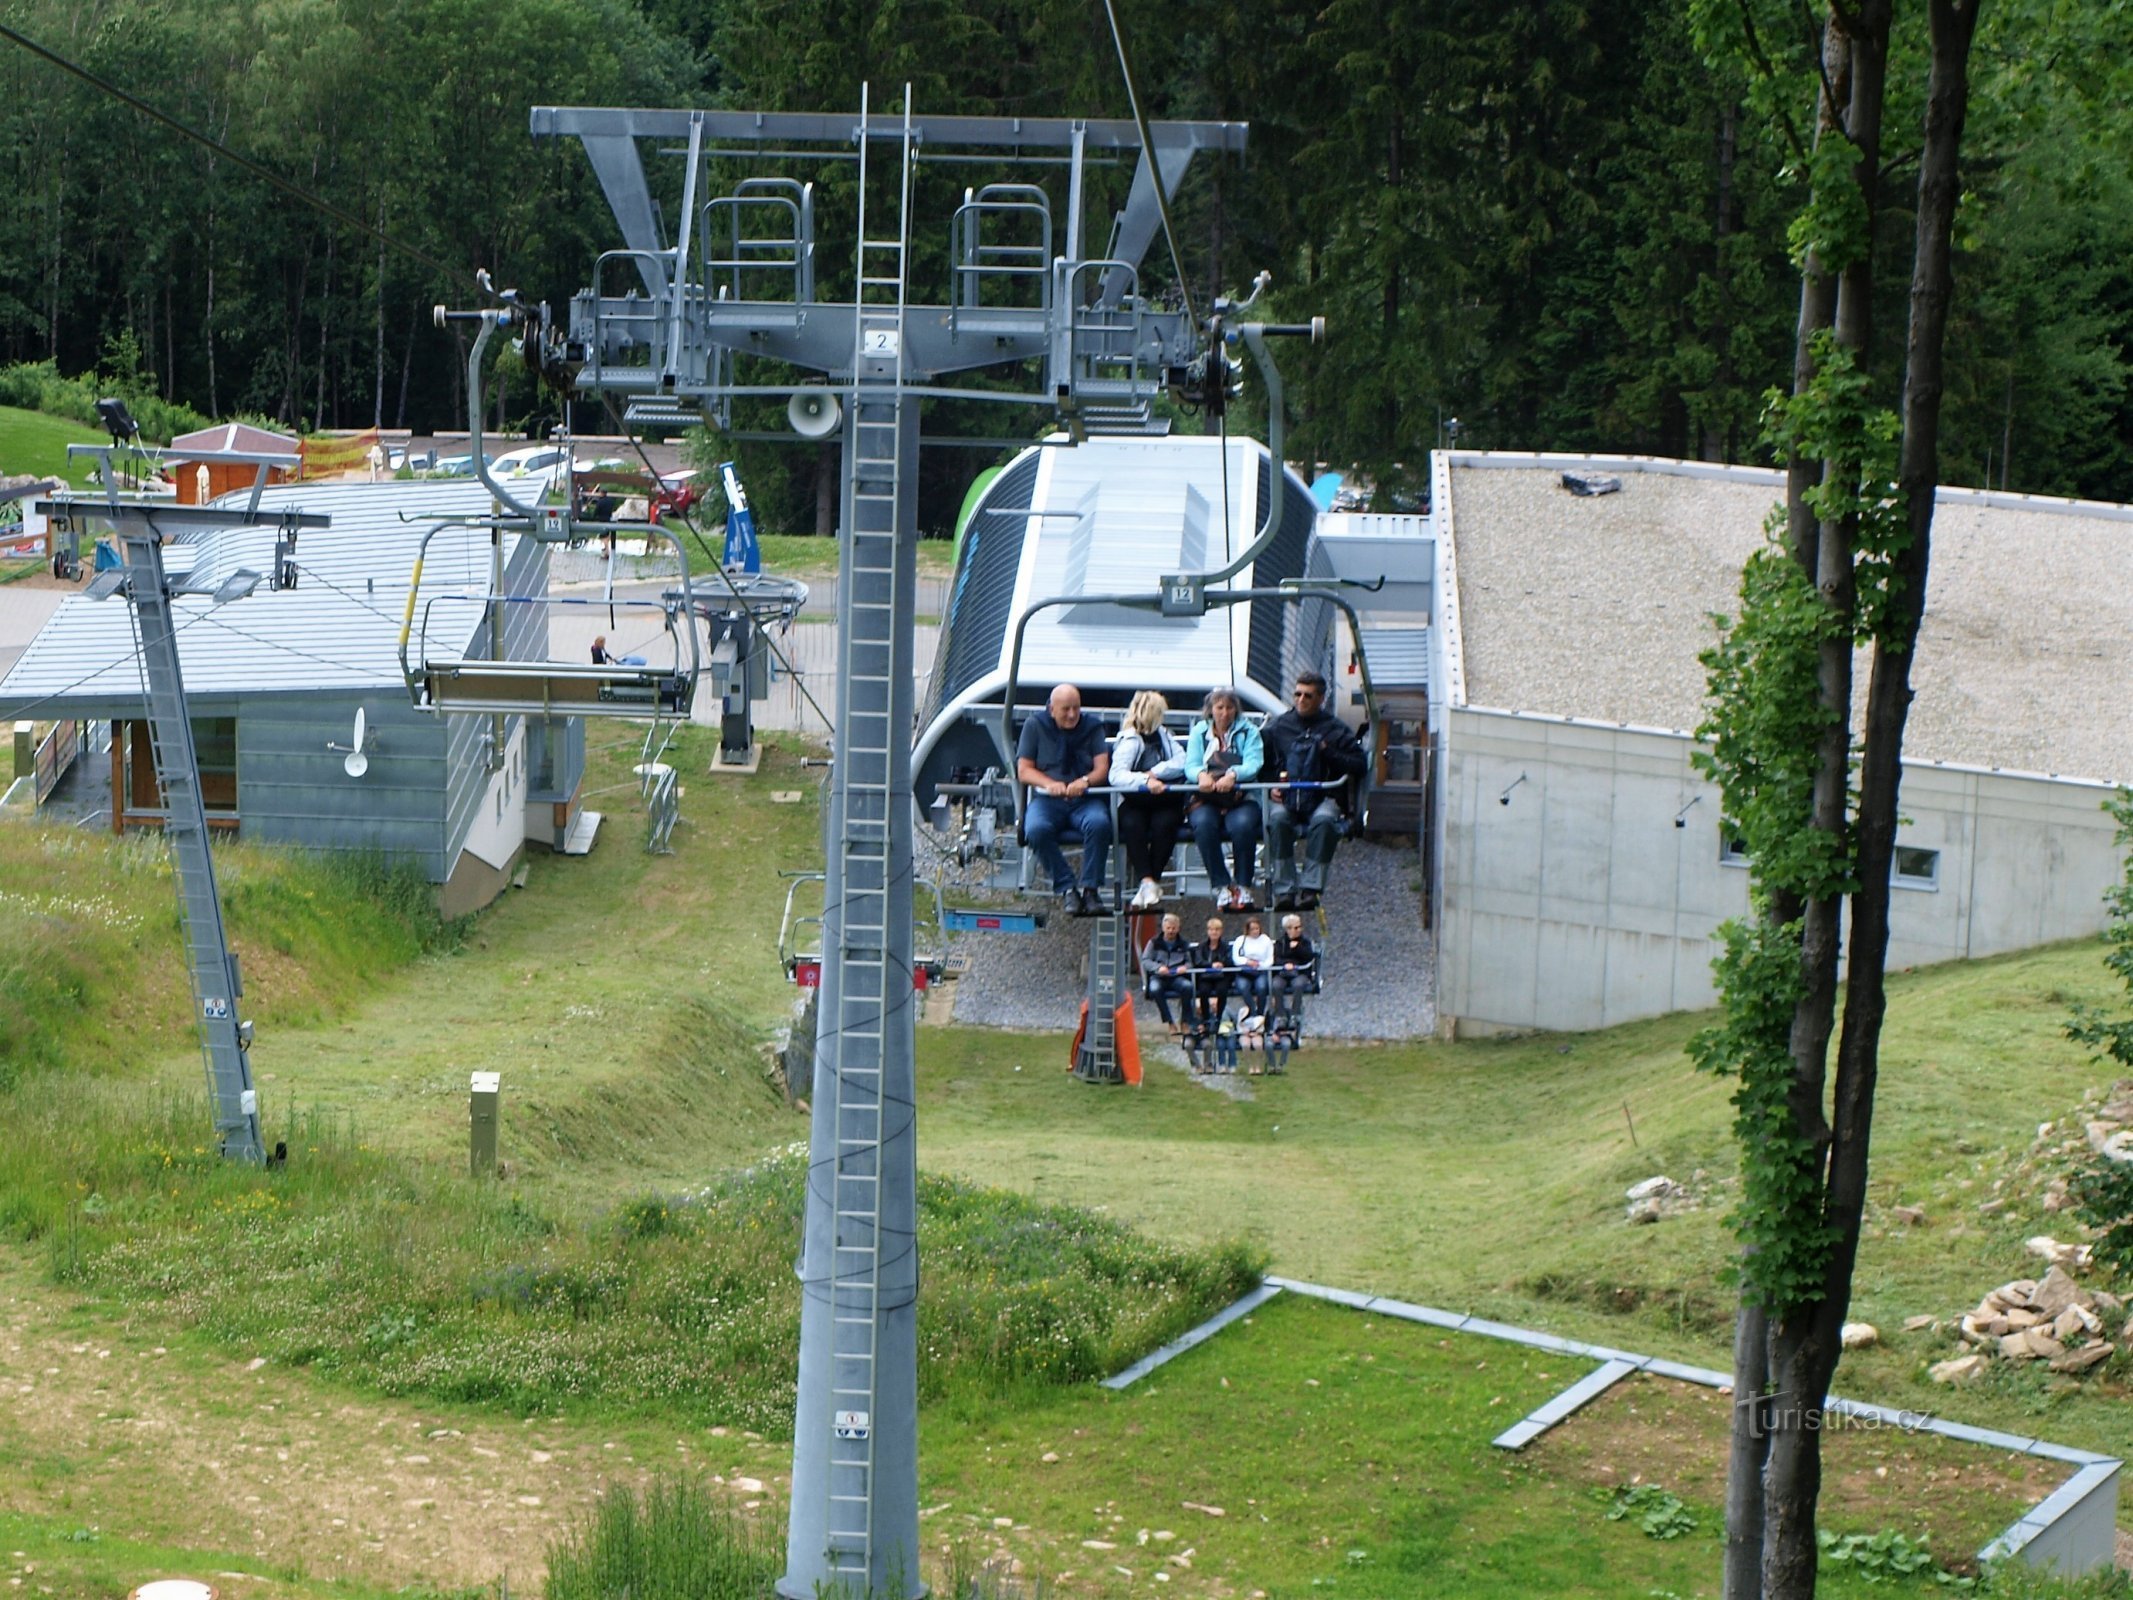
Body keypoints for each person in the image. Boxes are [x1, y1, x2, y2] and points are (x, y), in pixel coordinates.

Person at [1264, 671, 1368, 911]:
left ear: (1321, 698)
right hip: (1287, 795)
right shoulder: (1278, 728)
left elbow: (1358, 764)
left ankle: (1311, 887)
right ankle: (1284, 890)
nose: (1301, 700)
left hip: (1324, 796)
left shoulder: (1335, 730)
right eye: (1297, 694)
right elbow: (1261, 763)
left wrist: (1327, 751)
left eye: (1308, 696)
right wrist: (1272, 787)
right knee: (1278, 821)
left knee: (1323, 821)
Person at [1016, 683, 1113, 916]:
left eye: (1076, 709)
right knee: (1036, 830)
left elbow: (1102, 768)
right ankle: (1067, 887)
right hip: (1049, 800)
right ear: (1052, 709)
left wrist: (1085, 781)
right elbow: (1024, 770)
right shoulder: (1034, 726)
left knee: (1099, 824)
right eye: (1066, 710)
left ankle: (1091, 888)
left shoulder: (1092, 727)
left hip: (1085, 799)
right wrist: (1049, 784)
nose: (1072, 715)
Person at [1184, 686, 1265, 912]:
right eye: (1220, 707)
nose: (1225, 713)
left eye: (1230, 708)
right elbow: (1191, 764)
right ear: (1211, 709)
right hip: (1207, 796)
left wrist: (1233, 775)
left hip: (1241, 795)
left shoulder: (1250, 732)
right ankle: (1221, 884)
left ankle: (1243, 884)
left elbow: (1254, 762)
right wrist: (1201, 776)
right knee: (1203, 824)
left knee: (1242, 826)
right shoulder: (1199, 732)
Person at [1110, 690, 1188, 909]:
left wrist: (1156, 771)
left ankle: (1149, 882)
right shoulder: (1129, 740)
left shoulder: (1164, 735)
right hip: (1135, 799)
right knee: (1133, 824)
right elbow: (1117, 775)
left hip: (1163, 799)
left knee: (1165, 824)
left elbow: (1181, 761)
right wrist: (1145, 780)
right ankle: (1148, 880)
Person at [1139, 912, 1194, 1036]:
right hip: (1159, 976)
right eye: (1168, 928)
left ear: (1178, 928)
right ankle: (1169, 1021)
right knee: (1155, 989)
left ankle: (1185, 1021)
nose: (1171, 931)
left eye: (1174, 928)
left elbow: (1190, 962)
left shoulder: (1183, 944)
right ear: (1163, 928)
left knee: (1188, 987)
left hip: (1176, 976)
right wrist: (1158, 968)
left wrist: (1184, 967)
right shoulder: (1154, 943)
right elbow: (1145, 960)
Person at [1270, 912, 1318, 1035]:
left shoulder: (1305, 943)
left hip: (1300, 972)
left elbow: (1308, 957)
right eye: (1294, 928)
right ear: (1288, 929)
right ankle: (1280, 1015)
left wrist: (1297, 948)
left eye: (1299, 927)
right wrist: (1286, 964)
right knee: (1276, 985)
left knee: (1298, 985)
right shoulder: (1280, 943)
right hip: (1283, 973)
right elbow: (1276, 958)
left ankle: (1295, 1014)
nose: (1298, 930)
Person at [1188, 914, 1233, 1037]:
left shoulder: (1226, 947)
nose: (1214, 932)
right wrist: (1211, 965)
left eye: (1217, 930)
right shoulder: (1201, 947)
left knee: (1222, 990)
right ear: (1208, 931)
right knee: (1203, 990)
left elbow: (1230, 960)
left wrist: (1222, 964)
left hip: (1221, 976)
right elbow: (1198, 961)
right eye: (1212, 930)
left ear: (1221, 931)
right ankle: (1206, 1018)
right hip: (1206, 976)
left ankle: (1219, 1016)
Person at [1230, 914, 1274, 1022]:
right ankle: (1253, 1011)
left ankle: (1260, 1014)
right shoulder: (1241, 940)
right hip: (1244, 971)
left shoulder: (1266, 940)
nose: (1255, 931)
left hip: (1260, 970)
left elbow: (1270, 960)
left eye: (1257, 928)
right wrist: (1247, 962)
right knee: (1243, 987)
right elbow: (1236, 958)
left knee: (1262, 987)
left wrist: (1259, 965)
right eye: (1252, 929)